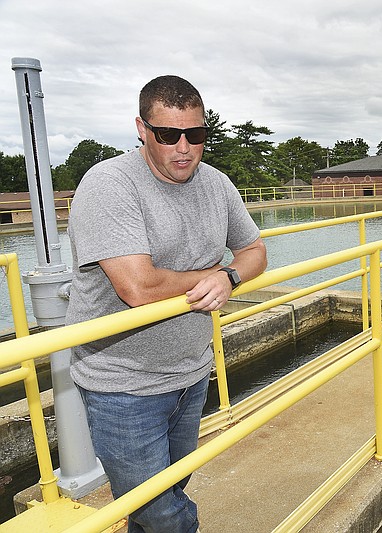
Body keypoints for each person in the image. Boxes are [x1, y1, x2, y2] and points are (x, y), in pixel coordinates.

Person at [66, 75, 267, 533]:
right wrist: (213, 275)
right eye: (167, 134)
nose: (183, 147)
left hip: (191, 371)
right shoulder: (109, 185)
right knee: (163, 513)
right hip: (123, 384)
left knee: (166, 495)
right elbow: (139, 288)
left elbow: (255, 250)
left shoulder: (216, 184)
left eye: (195, 135)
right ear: (141, 129)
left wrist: (231, 276)